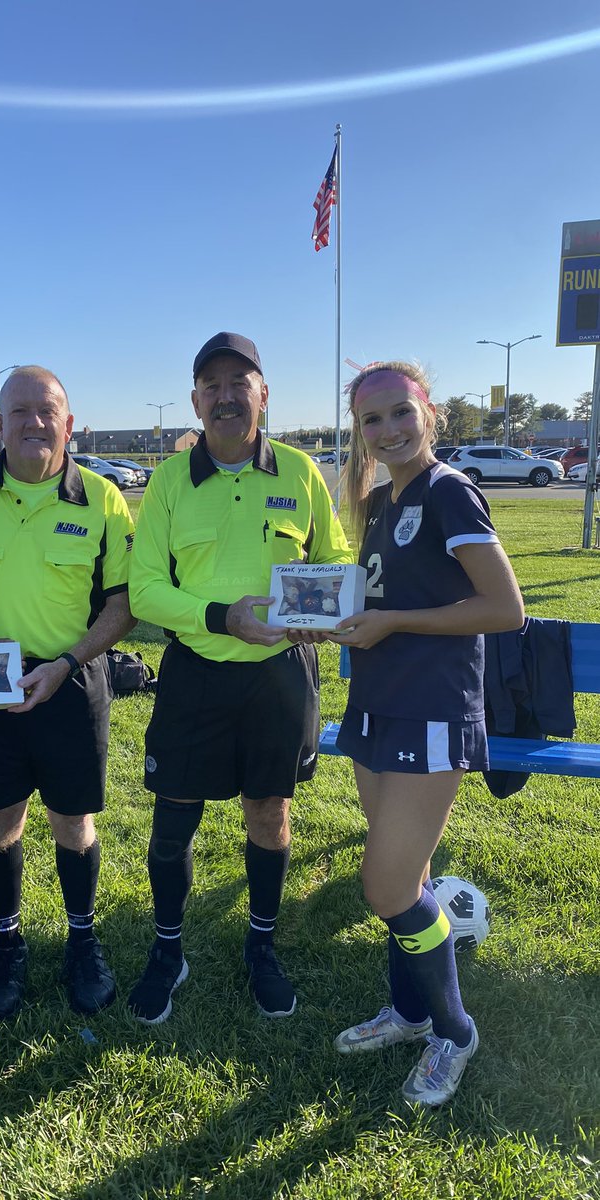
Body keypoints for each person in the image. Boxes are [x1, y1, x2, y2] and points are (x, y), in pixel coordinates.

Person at [126, 332, 353, 1024]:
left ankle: (262, 945)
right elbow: (143, 592)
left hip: (280, 677)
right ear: (196, 399)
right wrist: (223, 616)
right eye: (212, 385)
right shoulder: (168, 481)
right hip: (195, 673)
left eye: (239, 382)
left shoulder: (299, 471)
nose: (226, 395)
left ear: (263, 392)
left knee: (270, 813)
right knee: (173, 822)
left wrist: (327, 601)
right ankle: (170, 950)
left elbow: (335, 553)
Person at [329, 362, 524, 1106]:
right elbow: (377, 600)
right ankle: (409, 1013)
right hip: (377, 704)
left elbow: (504, 609)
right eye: (371, 421)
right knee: (402, 879)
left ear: (429, 414)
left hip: (432, 711)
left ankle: (454, 1029)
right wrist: (329, 619)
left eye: (399, 413)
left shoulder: (448, 490)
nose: (387, 431)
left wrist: (393, 622)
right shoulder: (381, 498)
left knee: (385, 886)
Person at [0, 366, 135, 1021]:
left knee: (73, 821)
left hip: (69, 679)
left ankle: (81, 940)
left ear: (70, 424)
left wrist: (67, 663)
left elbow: (122, 607)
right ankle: (7, 944)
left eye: (48, 412)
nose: (34, 423)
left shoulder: (101, 498)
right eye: (20, 411)